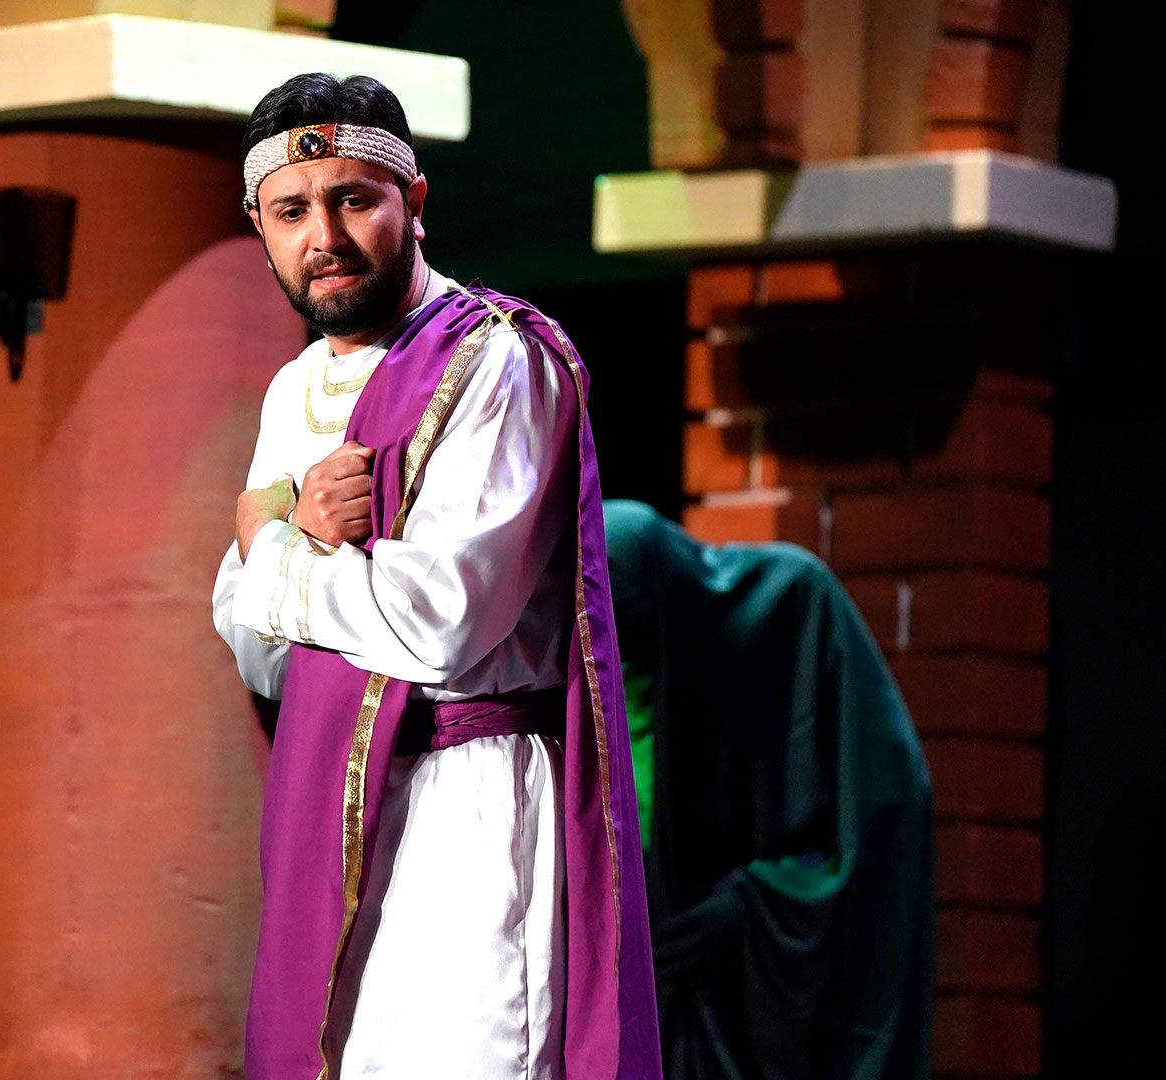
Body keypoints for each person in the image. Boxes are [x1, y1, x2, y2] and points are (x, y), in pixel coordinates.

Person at [212, 74, 659, 1079]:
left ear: (414, 202)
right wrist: (293, 544)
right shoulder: (293, 391)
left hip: (475, 806)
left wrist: (268, 542)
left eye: (352, 200)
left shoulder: (497, 361)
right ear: (259, 228)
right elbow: (256, 651)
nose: (324, 236)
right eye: (292, 212)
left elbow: (440, 620)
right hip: (333, 801)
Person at [603, 501, 934, 1080]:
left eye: (632, 639)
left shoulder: (794, 607)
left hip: (762, 1016)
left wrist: (756, 909)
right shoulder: (605, 659)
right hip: (651, 1007)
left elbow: (881, 822)